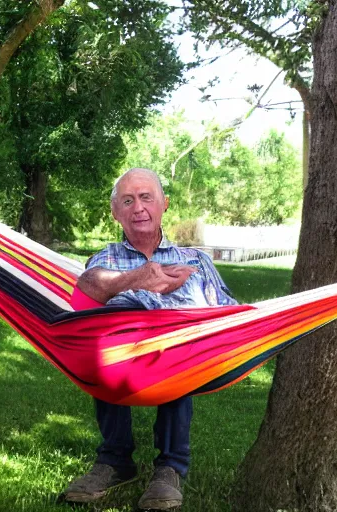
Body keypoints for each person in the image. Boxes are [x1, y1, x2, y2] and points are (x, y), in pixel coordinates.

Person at [59, 168, 237, 510]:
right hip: (121, 355)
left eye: (146, 198)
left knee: (177, 352)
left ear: (163, 204)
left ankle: (169, 468)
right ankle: (115, 461)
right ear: (115, 212)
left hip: (179, 356)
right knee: (100, 347)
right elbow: (87, 287)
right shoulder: (106, 258)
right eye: (127, 200)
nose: (138, 207)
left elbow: (228, 309)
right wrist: (137, 278)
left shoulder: (195, 259)